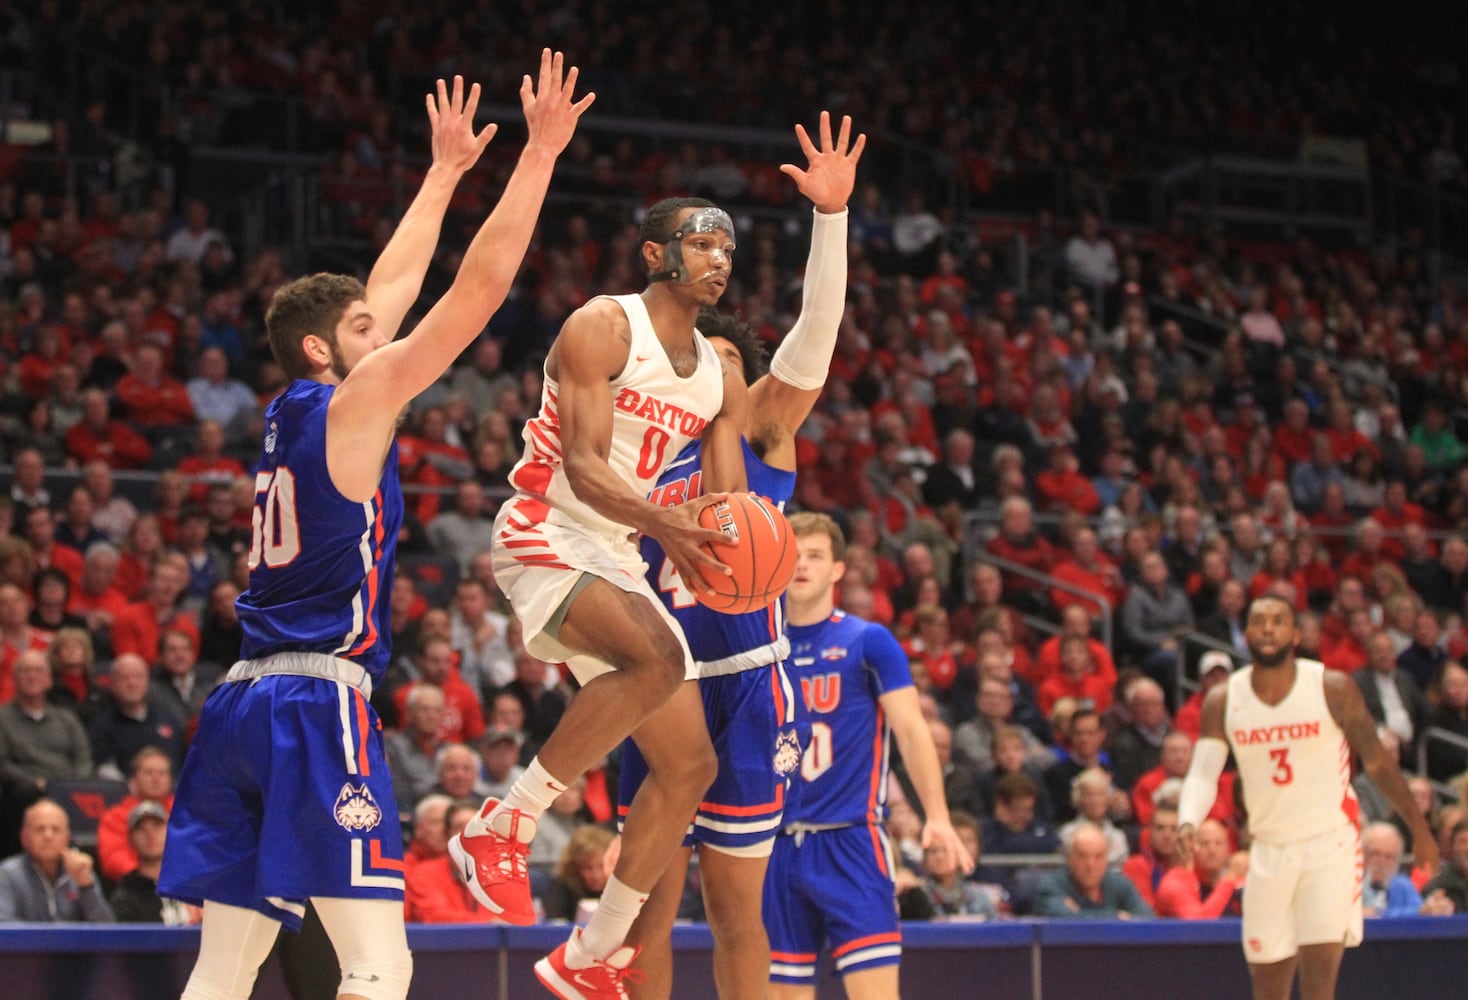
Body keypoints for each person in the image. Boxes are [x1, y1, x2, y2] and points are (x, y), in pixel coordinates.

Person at [156, 60, 591, 1000]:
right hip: (315, 704)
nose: (381, 329)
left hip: (237, 706)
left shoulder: (292, 410)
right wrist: (540, 156)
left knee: (223, 969)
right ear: (328, 350)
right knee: (379, 966)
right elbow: (472, 295)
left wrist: (441, 174)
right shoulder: (353, 409)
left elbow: (386, 286)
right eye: (364, 328)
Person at [454, 120, 756, 1000]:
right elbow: (584, 467)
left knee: (691, 765)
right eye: (701, 243)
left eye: (727, 248)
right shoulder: (602, 324)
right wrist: (671, 526)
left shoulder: (718, 377)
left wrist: (725, 542)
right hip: (546, 526)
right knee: (656, 660)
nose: (718, 260)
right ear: (656, 253)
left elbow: (723, 505)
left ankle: (592, 954)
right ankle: (502, 825)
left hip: (620, 547)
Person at [616, 111, 864, 1000]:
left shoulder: (762, 425)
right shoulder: (636, 439)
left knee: (734, 913)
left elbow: (816, 335)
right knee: (646, 911)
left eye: (723, 357)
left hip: (747, 677)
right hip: (653, 678)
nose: (705, 367)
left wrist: (830, 219)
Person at [1178, 594, 1439, 1000]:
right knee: (1267, 986)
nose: (1268, 628)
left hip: (1329, 843)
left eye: (1278, 621)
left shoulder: (1331, 687)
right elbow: (1202, 773)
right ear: (1245, 633)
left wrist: (1419, 828)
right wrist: (1188, 819)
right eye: (1259, 621)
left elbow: (1378, 763)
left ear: (1296, 634)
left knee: (1319, 985)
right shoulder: (1224, 699)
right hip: (1268, 847)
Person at [763, 512, 971, 999]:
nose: (802, 565)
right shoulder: (759, 646)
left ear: (838, 569)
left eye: (815, 555)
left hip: (850, 841)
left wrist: (936, 815)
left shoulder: (867, 640)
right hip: (772, 845)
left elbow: (912, 731)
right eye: (793, 554)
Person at [0, 798, 114, 922]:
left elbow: (106, 930)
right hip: (26, 942)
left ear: (67, 837)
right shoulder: (7, 874)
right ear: (24, 837)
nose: (48, 836)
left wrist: (86, 887)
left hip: (74, 942)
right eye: (39, 829)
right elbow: (4, 926)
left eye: (56, 829)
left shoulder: (81, 871)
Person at [1034, 822, 1153, 919]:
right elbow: (1067, 921)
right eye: (1082, 856)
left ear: (1107, 859)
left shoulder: (1120, 884)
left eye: (1098, 857)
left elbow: (1147, 917)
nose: (1091, 865)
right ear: (1069, 858)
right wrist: (1117, 916)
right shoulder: (1051, 885)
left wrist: (1079, 913)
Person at [109, 800, 200, 924]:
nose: (150, 834)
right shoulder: (125, 897)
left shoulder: (194, 886)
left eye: (157, 826)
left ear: (170, 832)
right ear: (131, 839)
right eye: (141, 828)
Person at [1155, 817, 1245, 919]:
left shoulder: (1240, 882)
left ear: (1228, 850)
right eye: (1204, 843)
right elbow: (1200, 926)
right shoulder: (1176, 882)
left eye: (1219, 843)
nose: (1212, 850)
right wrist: (1230, 878)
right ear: (1191, 848)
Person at [1360, 822, 1429, 918]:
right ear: (1362, 854)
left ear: (1397, 863)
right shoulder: (1349, 884)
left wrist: (1378, 914)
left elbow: (1422, 912)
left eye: (1389, 857)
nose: (1381, 862)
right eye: (1375, 854)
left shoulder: (1403, 886)